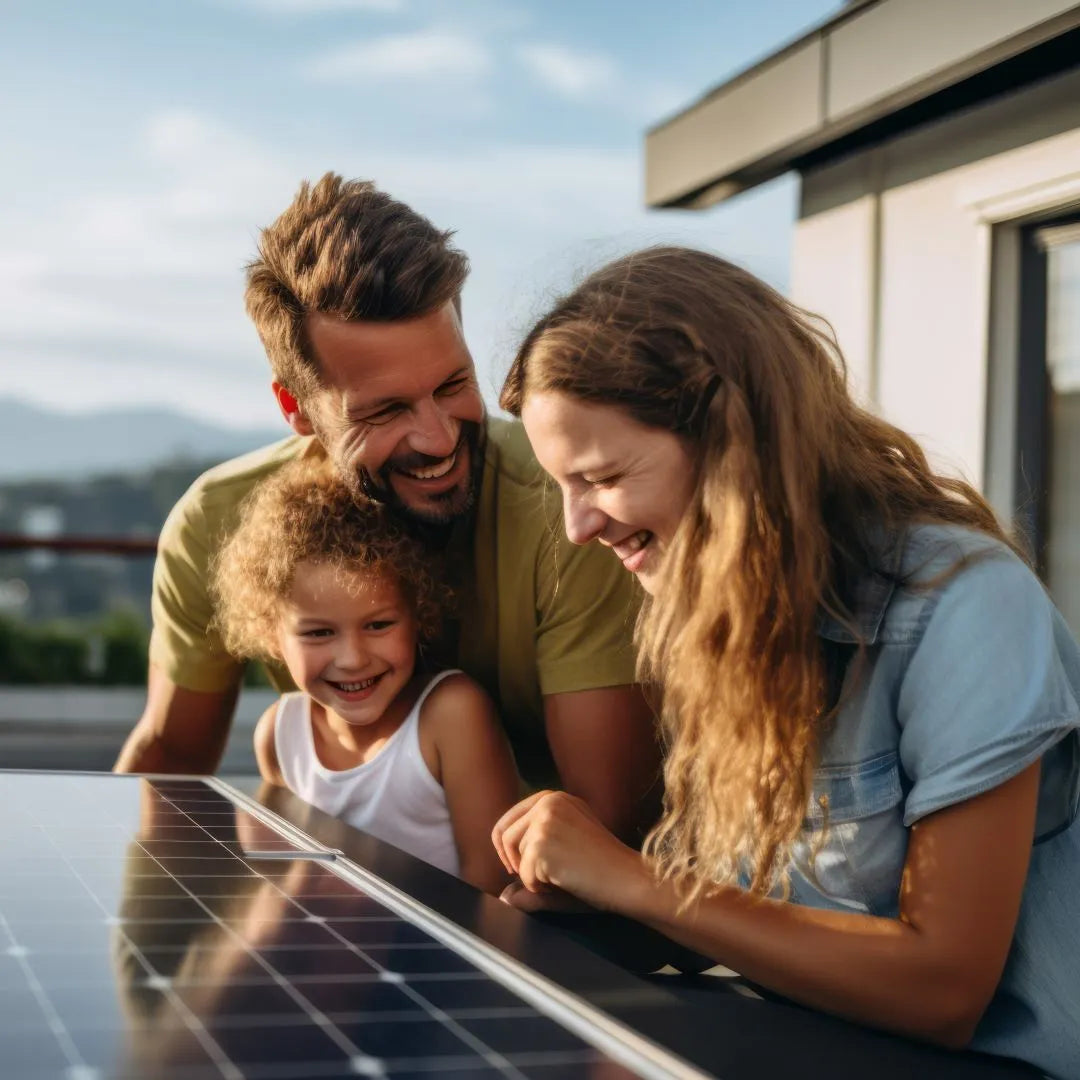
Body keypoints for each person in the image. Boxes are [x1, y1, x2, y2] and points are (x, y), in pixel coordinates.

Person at [491, 246, 1080, 1078]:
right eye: (561, 485)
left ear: (736, 447)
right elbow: (749, 911)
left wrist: (635, 882)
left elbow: (943, 992)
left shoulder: (965, 607)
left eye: (603, 477)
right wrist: (600, 908)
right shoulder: (727, 621)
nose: (579, 525)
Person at [114, 174, 660, 844]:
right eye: (385, 410)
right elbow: (170, 761)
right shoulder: (217, 523)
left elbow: (609, 825)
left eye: (454, 384)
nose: (437, 438)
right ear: (296, 409)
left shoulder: (567, 513)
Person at [211, 457, 518, 893]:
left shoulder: (451, 716)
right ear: (272, 635)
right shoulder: (280, 736)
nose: (352, 659)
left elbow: (496, 890)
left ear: (419, 615)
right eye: (319, 633)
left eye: (378, 625)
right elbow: (281, 882)